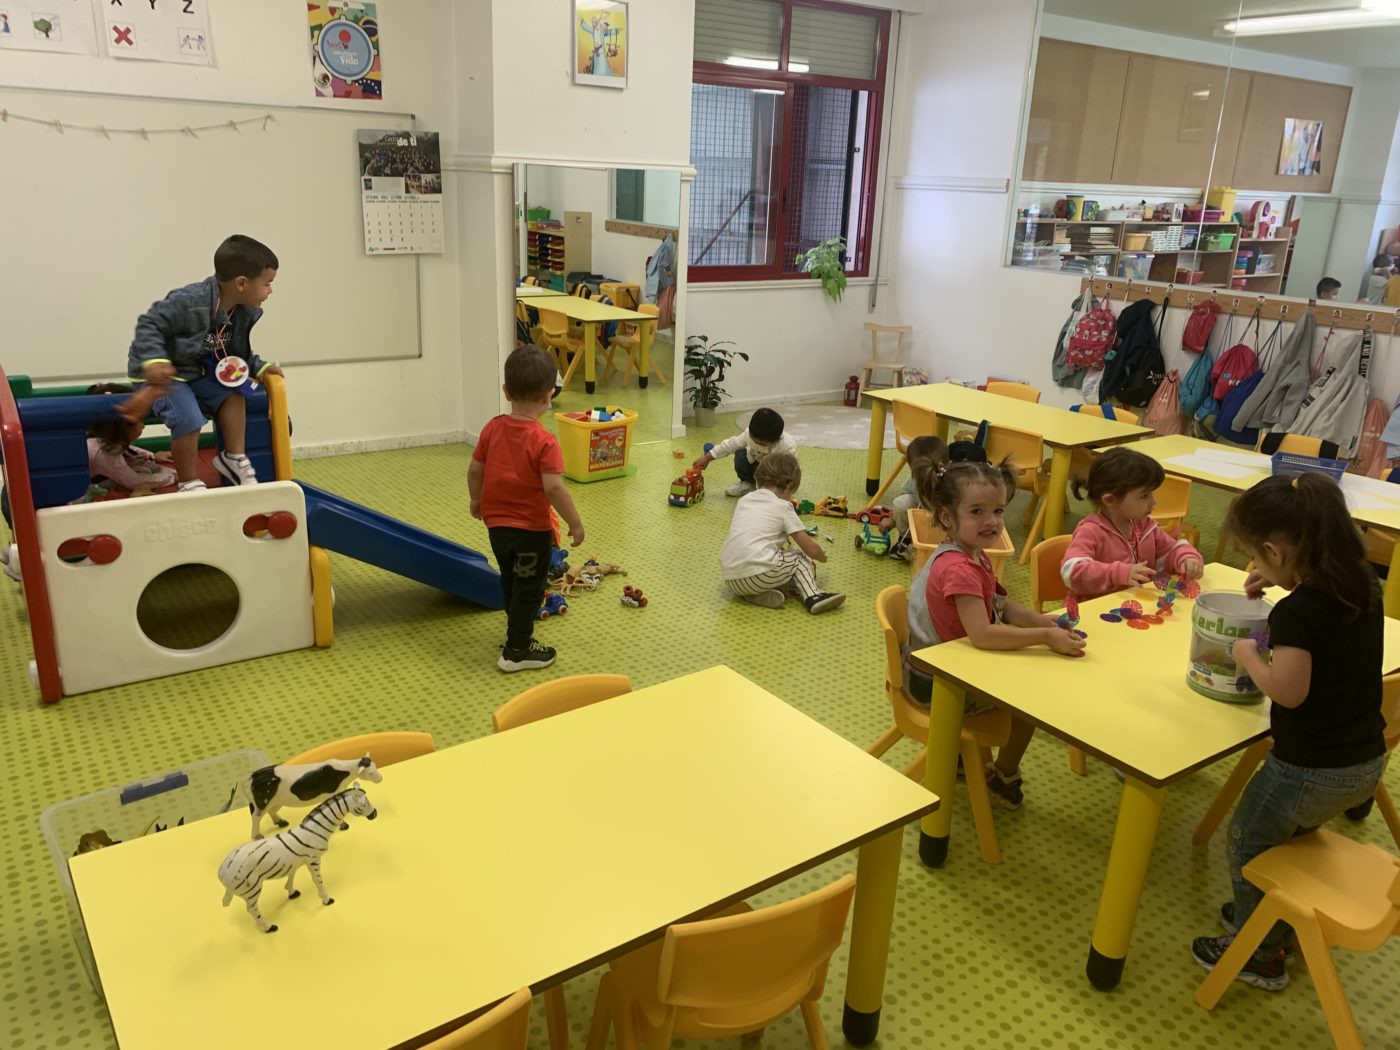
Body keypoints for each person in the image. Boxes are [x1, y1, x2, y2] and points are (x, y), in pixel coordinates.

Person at [1191, 473, 1387, 992]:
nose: (1255, 565)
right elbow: (1330, 636)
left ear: (1277, 551)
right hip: (1366, 762)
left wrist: (1249, 654)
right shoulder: (1362, 582)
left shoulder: (1297, 612)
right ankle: (1270, 913)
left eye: (1257, 555)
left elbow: (1288, 690)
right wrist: (1280, 581)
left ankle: (1261, 951)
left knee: (1247, 839)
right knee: (1286, 837)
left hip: (1308, 769)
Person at [904, 456, 1085, 808]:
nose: (992, 521)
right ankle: (1003, 775)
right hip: (937, 687)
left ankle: (960, 756)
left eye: (998, 511)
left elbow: (999, 605)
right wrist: (1045, 637)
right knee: (1032, 700)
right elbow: (983, 635)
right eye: (977, 512)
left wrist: (1042, 622)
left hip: (935, 668)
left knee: (1032, 667)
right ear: (947, 517)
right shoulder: (960, 567)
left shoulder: (972, 553)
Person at [124, 235, 284, 493]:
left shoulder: (241, 310)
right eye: (267, 283)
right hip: (165, 376)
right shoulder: (189, 301)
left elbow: (233, 352)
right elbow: (150, 324)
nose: (270, 290)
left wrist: (259, 367)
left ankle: (233, 458)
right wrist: (155, 361)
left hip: (199, 371)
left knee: (235, 394)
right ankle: (188, 482)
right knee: (189, 416)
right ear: (241, 283)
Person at [469, 344, 585, 673]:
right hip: (531, 532)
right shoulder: (545, 442)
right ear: (549, 396)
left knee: (511, 579)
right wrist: (575, 523)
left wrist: (476, 499)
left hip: (496, 527)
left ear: (506, 391)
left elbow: (475, 470)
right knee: (530, 587)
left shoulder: (492, 428)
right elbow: (554, 488)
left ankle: (515, 628)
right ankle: (517, 650)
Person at [1060, 447, 1204, 600]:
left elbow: (1171, 550)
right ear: (1110, 500)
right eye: (1144, 496)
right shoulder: (1090, 531)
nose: (1154, 502)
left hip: (1136, 605)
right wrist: (1117, 573)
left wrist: (1187, 558)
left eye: (1152, 493)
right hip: (1095, 610)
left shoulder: (1145, 526)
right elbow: (1072, 571)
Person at [720, 451, 844, 614]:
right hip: (758, 575)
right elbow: (809, 548)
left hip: (732, 578)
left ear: (758, 481)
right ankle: (814, 596)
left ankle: (755, 596)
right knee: (798, 558)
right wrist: (820, 556)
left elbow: (754, 537)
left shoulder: (744, 501)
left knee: (772, 559)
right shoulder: (783, 506)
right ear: (790, 487)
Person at [85, 383, 178, 493]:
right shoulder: (103, 451)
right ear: (122, 425)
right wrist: (174, 477)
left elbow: (129, 452)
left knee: (144, 469)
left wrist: (153, 457)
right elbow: (135, 482)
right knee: (142, 473)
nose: (143, 426)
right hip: (79, 492)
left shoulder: (101, 439)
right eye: (140, 420)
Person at [692, 407, 796, 497]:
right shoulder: (748, 434)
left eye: (761, 444)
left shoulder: (787, 446)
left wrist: (785, 490)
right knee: (741, 454)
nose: (755, 443)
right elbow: (731, 444)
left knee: (781, 476)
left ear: (776, 441)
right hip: (756, 465)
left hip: (775, 475)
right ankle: (748, 483)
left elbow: (794, 471)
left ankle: (769, 491)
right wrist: (707, 457)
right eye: (753, 439)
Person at [889, 435, 949, 561]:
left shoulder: (952, 480)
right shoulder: (914, 478)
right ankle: (905, 539)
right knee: (900, 503)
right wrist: (892, 519)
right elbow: (904, 494)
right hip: (922, 510)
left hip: (946, 517)